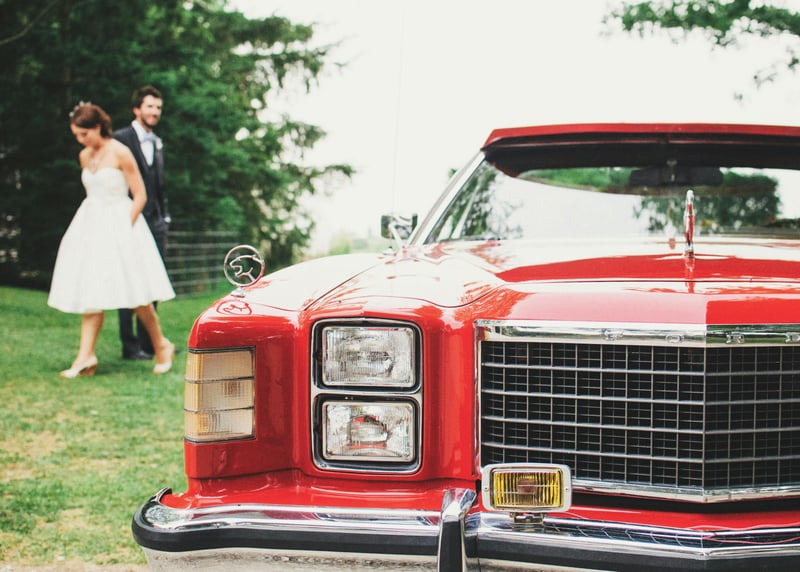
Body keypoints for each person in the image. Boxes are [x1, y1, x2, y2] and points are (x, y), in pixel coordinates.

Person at [48, 102, 176, 377]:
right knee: (91, 288)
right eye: (77, 136)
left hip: (121, 224)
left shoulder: (120, 152)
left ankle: (161, 345)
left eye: (84, 134)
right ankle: (85, 356)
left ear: (97, 127)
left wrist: (125, 226)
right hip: (91, 226)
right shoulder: (84, 156)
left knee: (136, 293)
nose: (81, 140)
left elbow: (140, 195)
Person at [113, 85, 170, 360]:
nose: (155, 112)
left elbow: (158, 184)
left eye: (158, 107)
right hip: (131, 218)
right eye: (150, 106)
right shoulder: (120, 138)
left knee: (153, 280)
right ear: (137, 109)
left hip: (156, 221)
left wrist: (164, 216)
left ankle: (150, 344)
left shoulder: (157, 142)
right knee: (128, 280)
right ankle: (130, 345)